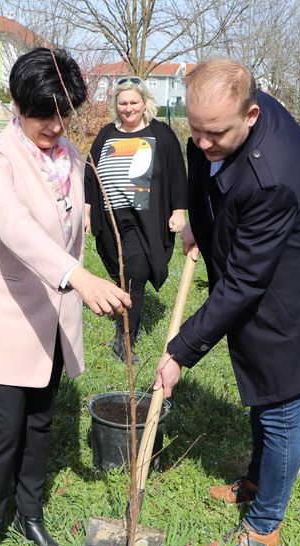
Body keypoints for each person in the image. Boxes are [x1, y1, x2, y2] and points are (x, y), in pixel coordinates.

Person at [154, 58, 300, 546]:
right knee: (261, 398)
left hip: (290, 298)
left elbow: (244, 281)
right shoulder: (220, 125)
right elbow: (203, 173)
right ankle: (258, 480)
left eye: (214, 133)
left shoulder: (274, 176)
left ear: (252, 116)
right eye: (194, 130)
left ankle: (264, 527)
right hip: (259, 273)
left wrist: (180, 350)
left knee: (279, 404)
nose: (201, 142)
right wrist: (198, 222)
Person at [0, 48, 131, 546]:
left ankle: (30, 514)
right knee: (2, 430)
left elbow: (78, 224)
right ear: (18, 104)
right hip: (9, 316)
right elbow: (14, 228)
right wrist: (77, 277)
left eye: (64, 113)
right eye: (43, 114)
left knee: (42, 424)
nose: (55, 126)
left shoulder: (74, 159)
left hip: (55, 319)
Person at [85, 77, 187, 364]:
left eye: (134, 102)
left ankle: (125, 339)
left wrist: (178, 210)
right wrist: (86, 209)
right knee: (123, 274)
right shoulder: (106, 133)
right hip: (111, 220)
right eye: (123, 103)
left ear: (144, 103)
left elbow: (178, 172)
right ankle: (126, 317)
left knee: (136, 274)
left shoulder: (161, 133)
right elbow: (89, 173)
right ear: (116, 106)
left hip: (146, 221)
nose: (129, 108)